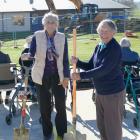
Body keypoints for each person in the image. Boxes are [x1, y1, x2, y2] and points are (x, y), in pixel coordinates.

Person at [71, 19, 125, 140]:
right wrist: (78, 62)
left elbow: (103, 69)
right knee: (102, 126)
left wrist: (81, 76)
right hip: (101, 92)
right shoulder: (99, 46)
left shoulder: (114, 49)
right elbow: (91, 65)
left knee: (113, 128)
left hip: (113, 94)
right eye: (101, 30)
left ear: (113, 32)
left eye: (106, 31)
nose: (103, 33)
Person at [21, 12, 70, 140]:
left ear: (57, 24)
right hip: (41, 75)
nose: (50, 24)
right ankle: (47, 132)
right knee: (44, 106)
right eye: (48, 22)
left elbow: (65, 59)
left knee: (60, 105)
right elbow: (32, 52)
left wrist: (66, 77)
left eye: (53, 22)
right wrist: (28, 56)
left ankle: (60, 132)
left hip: (57, 75)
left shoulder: (62, 37)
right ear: (44, 23)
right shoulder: (37, 36)